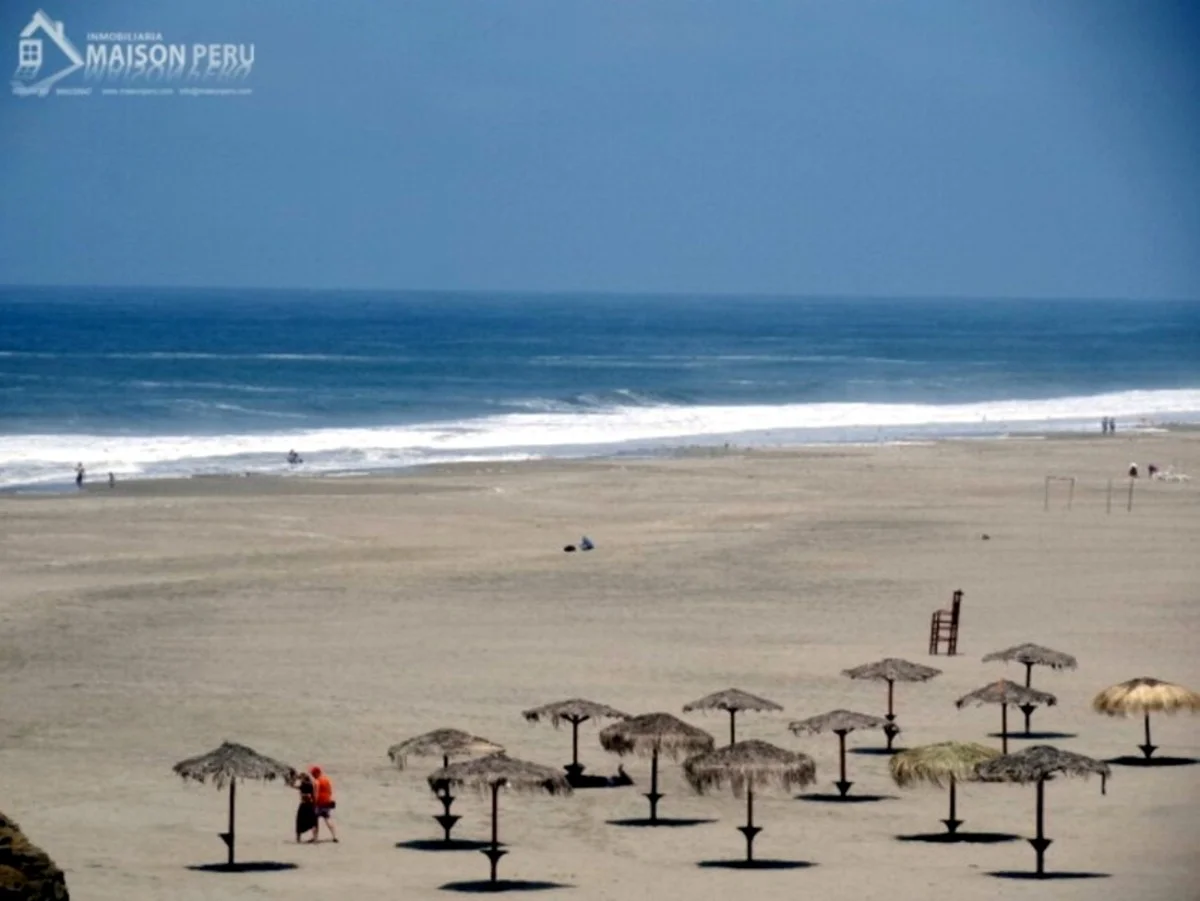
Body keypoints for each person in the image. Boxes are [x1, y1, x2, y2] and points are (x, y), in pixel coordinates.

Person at [309, 765, 338, 842]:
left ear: (316, 773)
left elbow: (316, 794)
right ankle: (334, 836)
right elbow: (330, 791)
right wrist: (328, 799)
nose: (312, 775)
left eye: (313, 774)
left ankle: (315, 838)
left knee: (314, 820)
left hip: (319, 803)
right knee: (327, 819)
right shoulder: (326, 780)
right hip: (327, 802)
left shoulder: (316, 781)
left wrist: (314, 803)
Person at [293, 770, 317, 842]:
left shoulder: (304, 785)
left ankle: (298, 838)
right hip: (310, 805)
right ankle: (314, 837)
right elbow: (313, 795)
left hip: (304, 805)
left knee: (299, 820)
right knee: (312, 821)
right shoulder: (310, 784)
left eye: (301, 778)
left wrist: (295, 779)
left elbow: (293, 786)